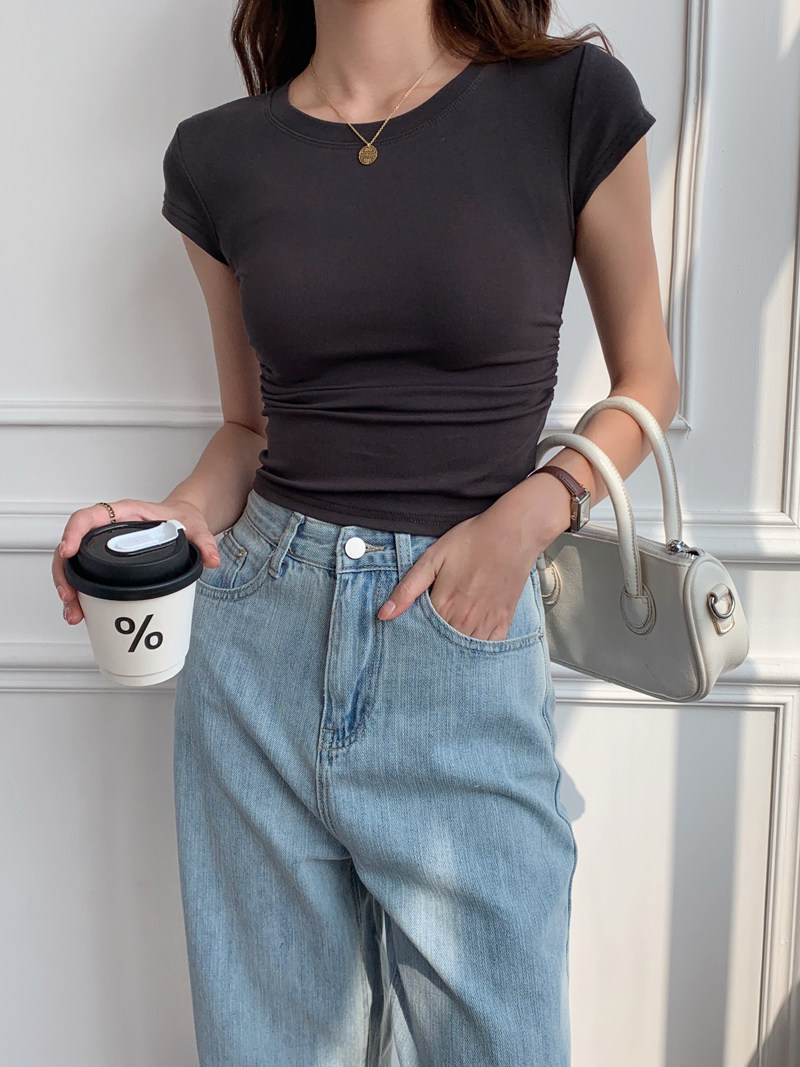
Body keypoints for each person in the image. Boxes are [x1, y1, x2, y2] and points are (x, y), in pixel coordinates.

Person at [52, 1, 680, 1063]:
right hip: (258, 644)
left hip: (462, 637)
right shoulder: (217, 156)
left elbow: (648, 380)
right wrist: (179, 512)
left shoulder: (569, 103)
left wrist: (529, 517)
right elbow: (249, 428)